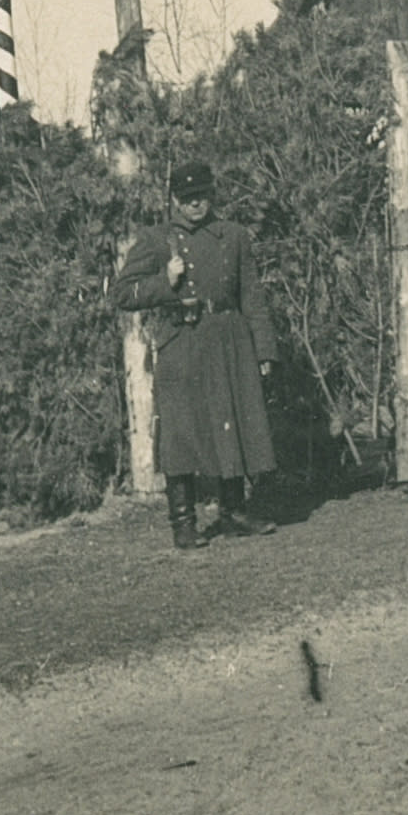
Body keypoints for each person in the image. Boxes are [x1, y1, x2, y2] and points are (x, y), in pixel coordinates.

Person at [113, 159, 281, 548]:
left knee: (231, 421)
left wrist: (264, 350)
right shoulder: (157, 240)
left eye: (202, 196)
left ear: (212, 195)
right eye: (187, 198)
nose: (195, 205)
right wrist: (164, 282)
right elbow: (121, 294)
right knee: (181, 433)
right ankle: (184, 523)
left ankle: (235, 511)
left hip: (228, 340)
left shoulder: (233, 236)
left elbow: (251, 296)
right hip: (182, 344)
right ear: (174, 199)